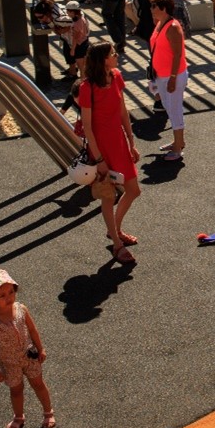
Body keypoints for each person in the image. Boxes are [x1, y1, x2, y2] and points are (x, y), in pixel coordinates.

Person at [79, 41, 142, 263]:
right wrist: (99, 159)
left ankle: (114, 229)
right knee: (108, 196)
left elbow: (123, 110)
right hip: (102, 147)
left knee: (133, 190)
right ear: (103, 59)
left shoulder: (116, 76)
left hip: (119, 143)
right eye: (113, 54)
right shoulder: (86, 87)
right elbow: (87, 126)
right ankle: (116, 243)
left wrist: (131, 140)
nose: (116, 56)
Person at [0, 268, 55, 428]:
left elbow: (33, 330)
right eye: (2, 295)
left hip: (30, 355)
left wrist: (40, 347)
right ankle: (19, 417)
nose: (8, 297)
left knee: (38, 383)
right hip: (10, 363)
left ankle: (48, 412)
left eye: (10, 292)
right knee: (16, 389)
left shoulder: (21, 309)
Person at [147, 0, 188, 161]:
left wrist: (172, 78)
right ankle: (178, 141)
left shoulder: (172, 27)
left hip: (173, 76)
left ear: (163, 8)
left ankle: (178, 149)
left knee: (174, 110)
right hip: (162, 75)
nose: (151, 9)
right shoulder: (160, 24)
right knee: (169, 107)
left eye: (154, 6)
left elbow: (178, 55)